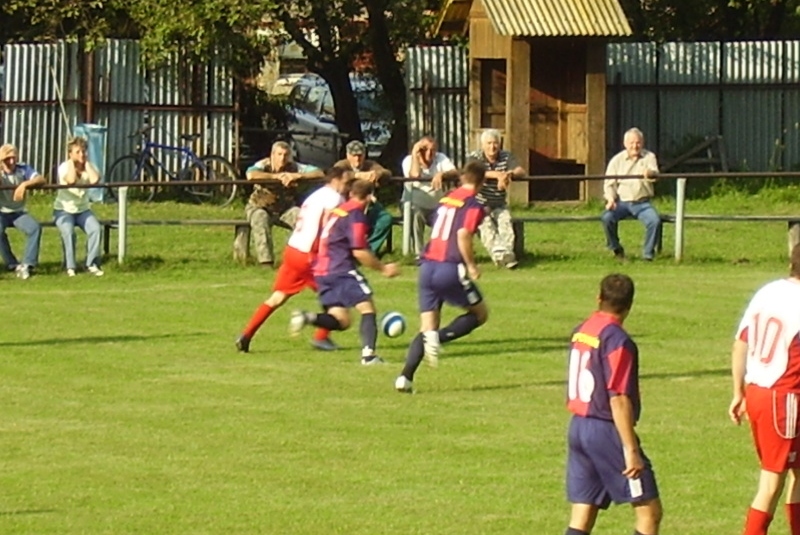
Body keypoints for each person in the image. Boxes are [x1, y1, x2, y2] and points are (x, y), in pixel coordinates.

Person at [564, 273, 662, 535]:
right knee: (648, 511)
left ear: (599, 298)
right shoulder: (617, 341)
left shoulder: (582, 331)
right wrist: (630, 449)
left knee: (583, 512)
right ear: (629, 305)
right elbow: (618, 398)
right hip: (606, 431)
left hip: (578, 426)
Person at [394, 161, 490, 393]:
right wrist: (471, 265)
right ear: (481, 182)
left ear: (462, 178)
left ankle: (404, 377)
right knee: (480, 314)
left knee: (426, 324)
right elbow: (463, 234)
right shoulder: (473, 203)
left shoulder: (447, 198)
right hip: (449, 267)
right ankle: (437, 338)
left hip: (427, 266)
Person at [235, 167, 353, 353]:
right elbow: (327, 225)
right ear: (335, 180)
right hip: (310, 255)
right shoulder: (334, 198)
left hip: (293, 250)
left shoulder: (316, 195)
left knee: (278, 297)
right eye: (346, 183)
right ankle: (320, 336)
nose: (348, 187)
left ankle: (246, 335)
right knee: (339, 302)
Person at [729, 244, 800, 535]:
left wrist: (738, 391)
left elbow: (740, 342)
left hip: (758, 391)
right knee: (771, 482)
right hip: (784, 397)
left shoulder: (768, 291)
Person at [289, 179, 400, 365]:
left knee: (342, 320)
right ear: (370, 197)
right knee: (367, 308)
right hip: (340, 269)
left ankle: (307, 317)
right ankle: (369, 356)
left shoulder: (338, 211)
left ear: (351, 194)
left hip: (322, 271)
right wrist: (383, 268)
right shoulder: (356, 215)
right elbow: (359, 251)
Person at [245, 141, 324, 266]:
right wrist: (276, 177)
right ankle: (266, 262)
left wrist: (297, 176)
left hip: (285, 209)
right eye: (279, 154)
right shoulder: (263, 164)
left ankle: (303, 258)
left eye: (286, 155)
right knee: (260, 218)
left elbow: (319, 173)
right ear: (272, 155)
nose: (282, 158)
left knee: (304, 218)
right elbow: (250, 174)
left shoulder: (294, 166)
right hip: (260, 206)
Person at [466, 129, 525, 269]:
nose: (492, 147)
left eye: (495, 143)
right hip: (479, 204)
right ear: (482, 145)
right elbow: (473, 172)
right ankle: (501, 257)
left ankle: (507, 255)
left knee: (506, 223)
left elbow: (521, 171)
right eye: (489, 143)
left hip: (499, 203)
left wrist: (508, 174)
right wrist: (498, 175)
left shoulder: (506, 156)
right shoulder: (475, 157)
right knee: (486, 226)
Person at [601, 128, 661, 262]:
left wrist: (650, 173)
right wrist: (610, 199)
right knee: (606, 218)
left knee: (655, 221)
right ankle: (616, 249)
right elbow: (609, 184)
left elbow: (654, 174)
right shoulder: (617, 160)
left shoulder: (649, 157)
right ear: (625, 144)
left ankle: (648, 255)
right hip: (622, 203)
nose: (635, 146)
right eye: (632, 143)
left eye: (638, 143)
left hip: (642, 203)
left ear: (643, 143)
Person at [54, 137, 104, 277]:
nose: (82, 154)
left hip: (83, 210)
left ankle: (91, 263)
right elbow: (71, 180)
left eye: (84, 151)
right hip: (64, 210)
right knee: (69, 232)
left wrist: (86, 163)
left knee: (95, 229)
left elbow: (95, 180)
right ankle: (70, 266)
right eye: (77, 152)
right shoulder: (64, 167)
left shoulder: (89, 165)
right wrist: (72, 163)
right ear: (70, 154)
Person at [333, 140, 394, 255]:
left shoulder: (370, 164)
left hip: (368, 203)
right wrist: (357, 175)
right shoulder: (342, 165)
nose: (357, 159)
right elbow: (337, 174)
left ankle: (369, 251)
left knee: (385, 219)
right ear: (348, 155)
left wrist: (377, 174)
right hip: (346, 204)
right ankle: (346, 251)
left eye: (360, 155)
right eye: (354, 155)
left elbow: (387, 173)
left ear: (364, 155)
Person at [401, 135, 459, 254]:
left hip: (436, 207)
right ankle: (419, 253)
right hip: (414, 205)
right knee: (415, 213)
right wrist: (415, 154)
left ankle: (446, 252)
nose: (429, 153)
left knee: (452, 214)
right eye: (424, 150)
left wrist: (441, 174)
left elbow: (454, 172)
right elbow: (415, 175)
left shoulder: (441, 158)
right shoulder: (408, 161)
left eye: (432, 150)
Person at [0, 143, 45, 279]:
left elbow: (41, 179)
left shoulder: (23, 169)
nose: (12, 162)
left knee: (34, 228)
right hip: (1, 211)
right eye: (8, 158)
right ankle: (12, 263)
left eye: (14, 158)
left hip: (18, 211)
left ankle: (28, 264)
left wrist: (24, 184)